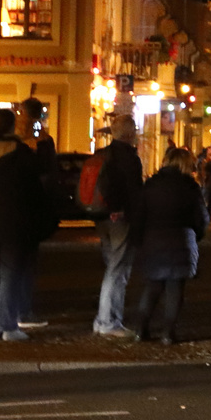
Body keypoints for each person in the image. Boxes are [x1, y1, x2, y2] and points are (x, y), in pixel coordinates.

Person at [0, 110, 49, 341]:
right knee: (10, 275)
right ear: (11, 127)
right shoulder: (18, 152)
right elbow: (40, 172)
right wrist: (44, 144)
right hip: (12, 220)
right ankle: (8, 326)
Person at [129, 146, 207, 345]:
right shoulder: (190, 187)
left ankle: (140, 329)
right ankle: (168, 333)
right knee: (175, 288)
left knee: (153, 286)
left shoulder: (151, 185)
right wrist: (196, 235)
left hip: (153, 240)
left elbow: (139, 216)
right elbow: (201, 218)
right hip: (181, 239)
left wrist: (138, 241)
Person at [92, 115, 145, 338]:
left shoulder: (103, 154)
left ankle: (107, 319)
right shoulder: (128, 158)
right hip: (121, 218)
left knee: (113, 267)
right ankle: (107, 321)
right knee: (117, 269)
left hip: (103, 217)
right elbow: (134, 192)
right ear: (128, 133)